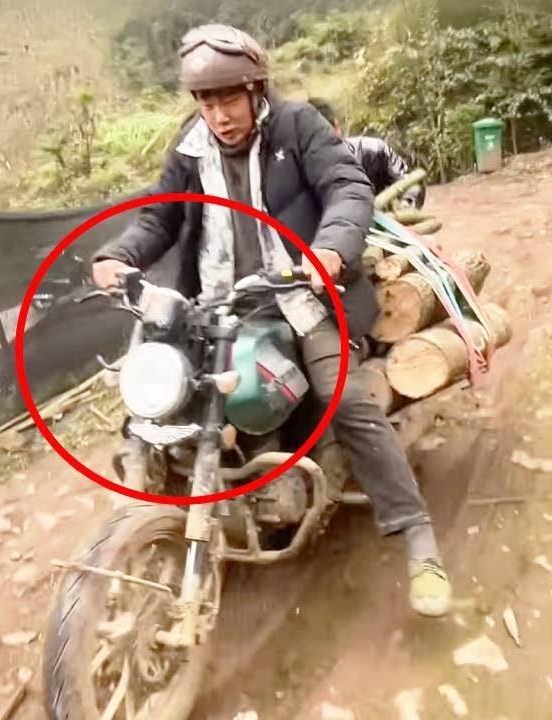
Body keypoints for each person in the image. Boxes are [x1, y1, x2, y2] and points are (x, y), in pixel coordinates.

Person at [89, 25, 451, 618]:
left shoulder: (298, 126)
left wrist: (330, 248)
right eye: (206, 102)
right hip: (216, 303)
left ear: (255, 88)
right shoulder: (191, 146)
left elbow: (347, 187)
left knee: (345, 401)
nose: (219, 115)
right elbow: (160, 215)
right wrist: (119, 255)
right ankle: (157, 511)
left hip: (300, 298)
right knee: (155, 398)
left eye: (228, 98)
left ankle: (419, 541)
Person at [308, 97, 425, 209]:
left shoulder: (374, 151)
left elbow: (411, 183)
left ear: (337, 128)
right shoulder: (299, 173)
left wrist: (406, 205)